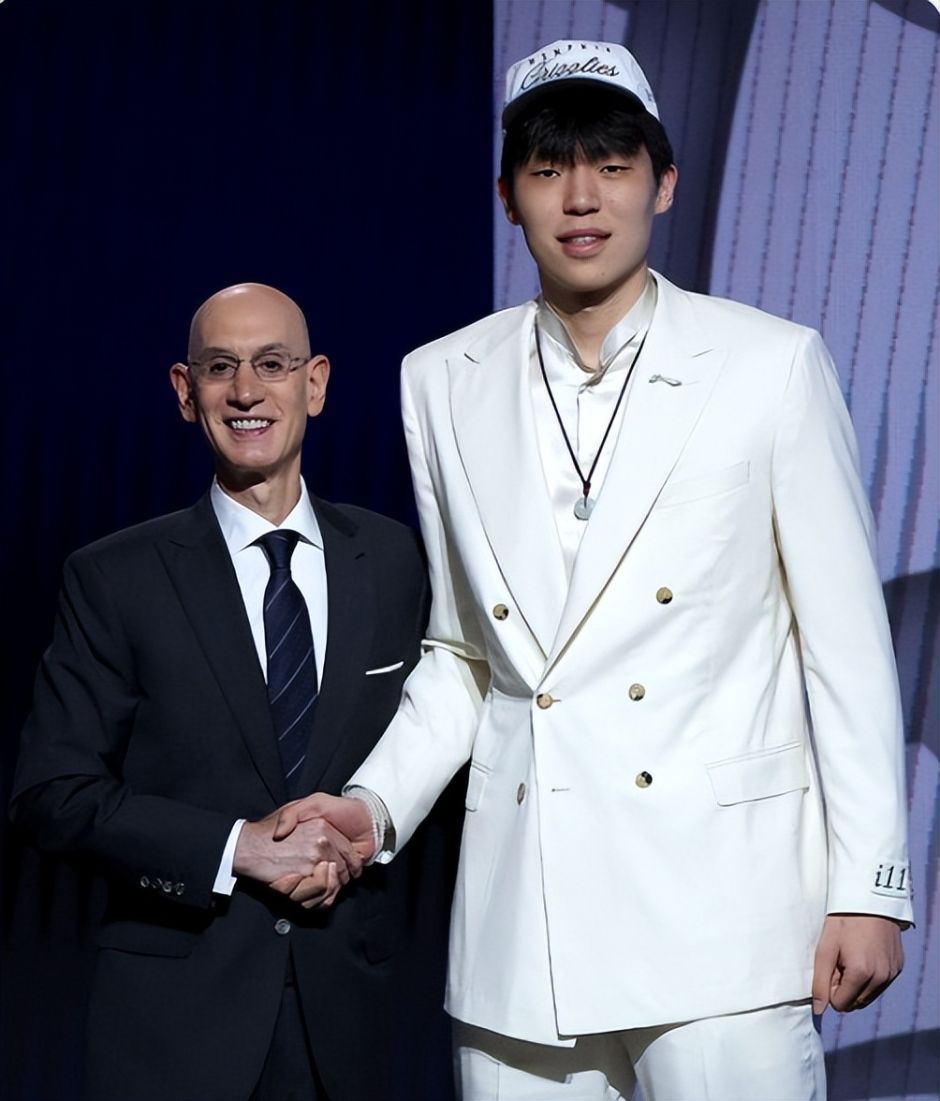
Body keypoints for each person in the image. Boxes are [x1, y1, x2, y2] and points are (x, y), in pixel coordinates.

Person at [273, 41, 914, 1101]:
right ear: (507, 197)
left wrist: (870, 886)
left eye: (613, 166)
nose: (581, 198)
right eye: (548, 169)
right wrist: (375, 803)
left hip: (723, 916)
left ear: (664, 184)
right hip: (526, 924)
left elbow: (842, 646)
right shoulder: (442, 379)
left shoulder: (768, 365)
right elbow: (464, 652)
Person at [10, 283, 455, 1101]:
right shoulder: (115, 577)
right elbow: (52, 793)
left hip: (347, 1019)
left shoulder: (392, 560)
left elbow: (436, 738)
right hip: (172, 1025)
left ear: (315, 384)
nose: (247, 391)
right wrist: (237, 847)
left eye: (273, 364)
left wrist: (360, 836)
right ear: (186, 392)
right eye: (221, 367)